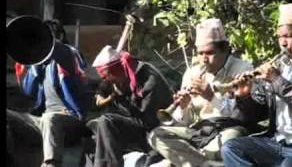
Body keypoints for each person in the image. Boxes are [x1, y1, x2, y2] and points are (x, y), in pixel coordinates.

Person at [148, 18, 268, 167]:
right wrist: (183, 107)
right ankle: (206, 163)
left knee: (231, 139)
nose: (204, 59)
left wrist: (210, 96)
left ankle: (193, 161)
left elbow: (242, 115)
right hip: (201, 131)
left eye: (210, 53)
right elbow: (184, 123)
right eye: (200, 53)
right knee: (156, 135)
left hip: (228, 128)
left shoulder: (242, 69)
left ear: (224, 50)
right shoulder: (192, 72)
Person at [221, 3, 292, 167]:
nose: (283, 43)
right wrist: (245, 97)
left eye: (289, 36)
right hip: (277, 141)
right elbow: (256, 115)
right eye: (280, 37)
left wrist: (277, 80)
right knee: (231, 148)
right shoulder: (279, 65)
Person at [9, 35, 91, 167]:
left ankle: (51, 164)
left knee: (50, 118)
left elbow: (64, 53)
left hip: (71, 119)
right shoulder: (40, 66)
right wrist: (31, 65)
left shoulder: (67, 59)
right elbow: (28, 91)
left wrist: (45, 42)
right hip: (43, 121)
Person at [87, 45, 173, 167]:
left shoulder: (148, 79)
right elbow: (102, 89)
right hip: (137, 124)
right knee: (94, 127)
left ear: (116, 71)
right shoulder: (116, 78)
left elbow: (147, 120)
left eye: (106, 77)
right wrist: (101, 95)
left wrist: (120, 96)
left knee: (106, 122)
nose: (106, 81)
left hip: (154, 128)